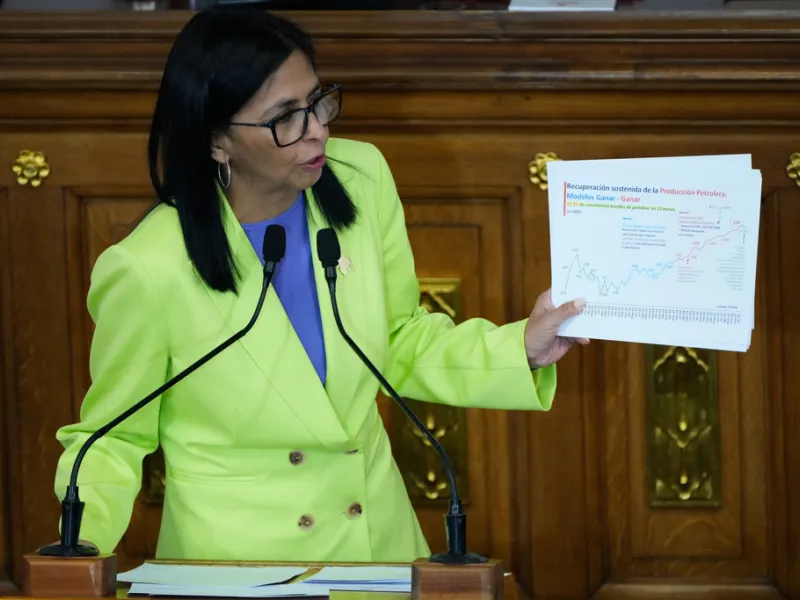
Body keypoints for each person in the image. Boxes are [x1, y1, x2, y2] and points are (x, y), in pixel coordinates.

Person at [52, 7, 588, 563]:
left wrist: (520, 348)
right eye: (286, 117)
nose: (318, 130)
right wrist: (77, 552)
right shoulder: (146, 267)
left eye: (317, 102)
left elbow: (396, 341)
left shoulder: (360, 178)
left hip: (376, 553)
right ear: (216, 141)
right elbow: (113, 438)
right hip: (237, 567)